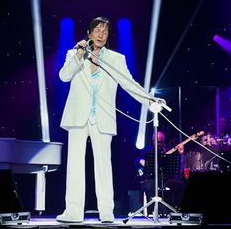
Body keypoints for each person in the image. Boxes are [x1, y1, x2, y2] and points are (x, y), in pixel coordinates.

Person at [56, 16, 164, 223]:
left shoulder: (116, 59)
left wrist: (150, 100)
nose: (101, 34)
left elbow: (128, 83)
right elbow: (64, 76)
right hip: (78, 115)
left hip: (102, 117)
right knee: (75, 164)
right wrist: (78, 55)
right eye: (97, 29)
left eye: (105, 31)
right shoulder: (74, 54)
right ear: (89, 33)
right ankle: (73, 211)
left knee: (104, 165)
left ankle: (106, 211)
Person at [135, 130, 185, 215]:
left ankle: (178, 210)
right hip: (152, 178)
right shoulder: (147, 150)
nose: (157, 143)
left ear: (163, 141)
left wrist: (181, 154)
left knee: (180, 185)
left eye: (159, 141)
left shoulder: (168, 150)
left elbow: (179, 165)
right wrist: (140, 160)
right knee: (148, 186)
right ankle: (151, 212)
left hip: (166, 178)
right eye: (155, 141)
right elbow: (135, 160)